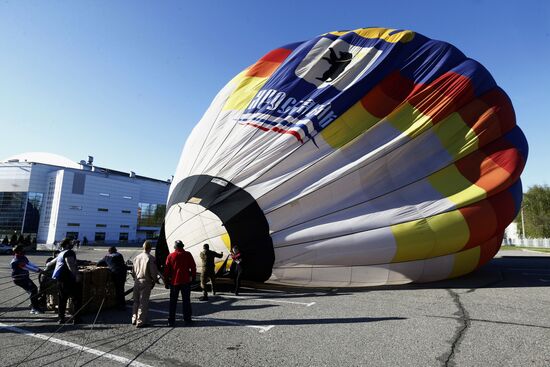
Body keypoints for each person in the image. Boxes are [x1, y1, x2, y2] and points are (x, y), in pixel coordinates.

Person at [47, 238, 82, 324]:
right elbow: (70, 265)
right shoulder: (69, 252)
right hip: (68, 279)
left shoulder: (60, 254)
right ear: (67, 245)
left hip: (60, 279)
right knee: (76, 299)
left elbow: (49, 264)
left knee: (62, 299)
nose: (72, 244)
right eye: (70, 243)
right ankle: (76, 319)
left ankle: (61, 318)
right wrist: (77, 275)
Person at [164, 240, 196, 326]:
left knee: (173, 302)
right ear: (182, 246)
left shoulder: (170, 256)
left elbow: (166, 270)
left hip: (174, 282)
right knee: (186, 301)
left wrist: (166, 282)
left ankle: (171, 320)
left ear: (175, 247)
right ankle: (187, 319)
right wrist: (193, 278)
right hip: (185, 281)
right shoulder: (188, 254)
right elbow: (193, 267)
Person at [131, 240, 159, 328]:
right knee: (143, 302)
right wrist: (155, 280)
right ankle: (140, 321)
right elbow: (153, 272)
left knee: (136, 301)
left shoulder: (136, 257)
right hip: (145, 281)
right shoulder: (150, 258)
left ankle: (134, 319)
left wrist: (135, 278)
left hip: (137, 281)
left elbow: (133, 271)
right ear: (150, 248)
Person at [10, 245, 43, 314]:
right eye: (23, 249)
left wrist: (39, 269)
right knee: (33, 290)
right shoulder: (17, 259)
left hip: (25, 277)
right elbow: (26, 267)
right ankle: (34, 308)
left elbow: (30, 264)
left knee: (33, 290)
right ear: (19, 251)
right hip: (19, 279)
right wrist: (38, 271)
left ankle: (34, 304)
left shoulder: (23, 257)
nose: (24, 250)